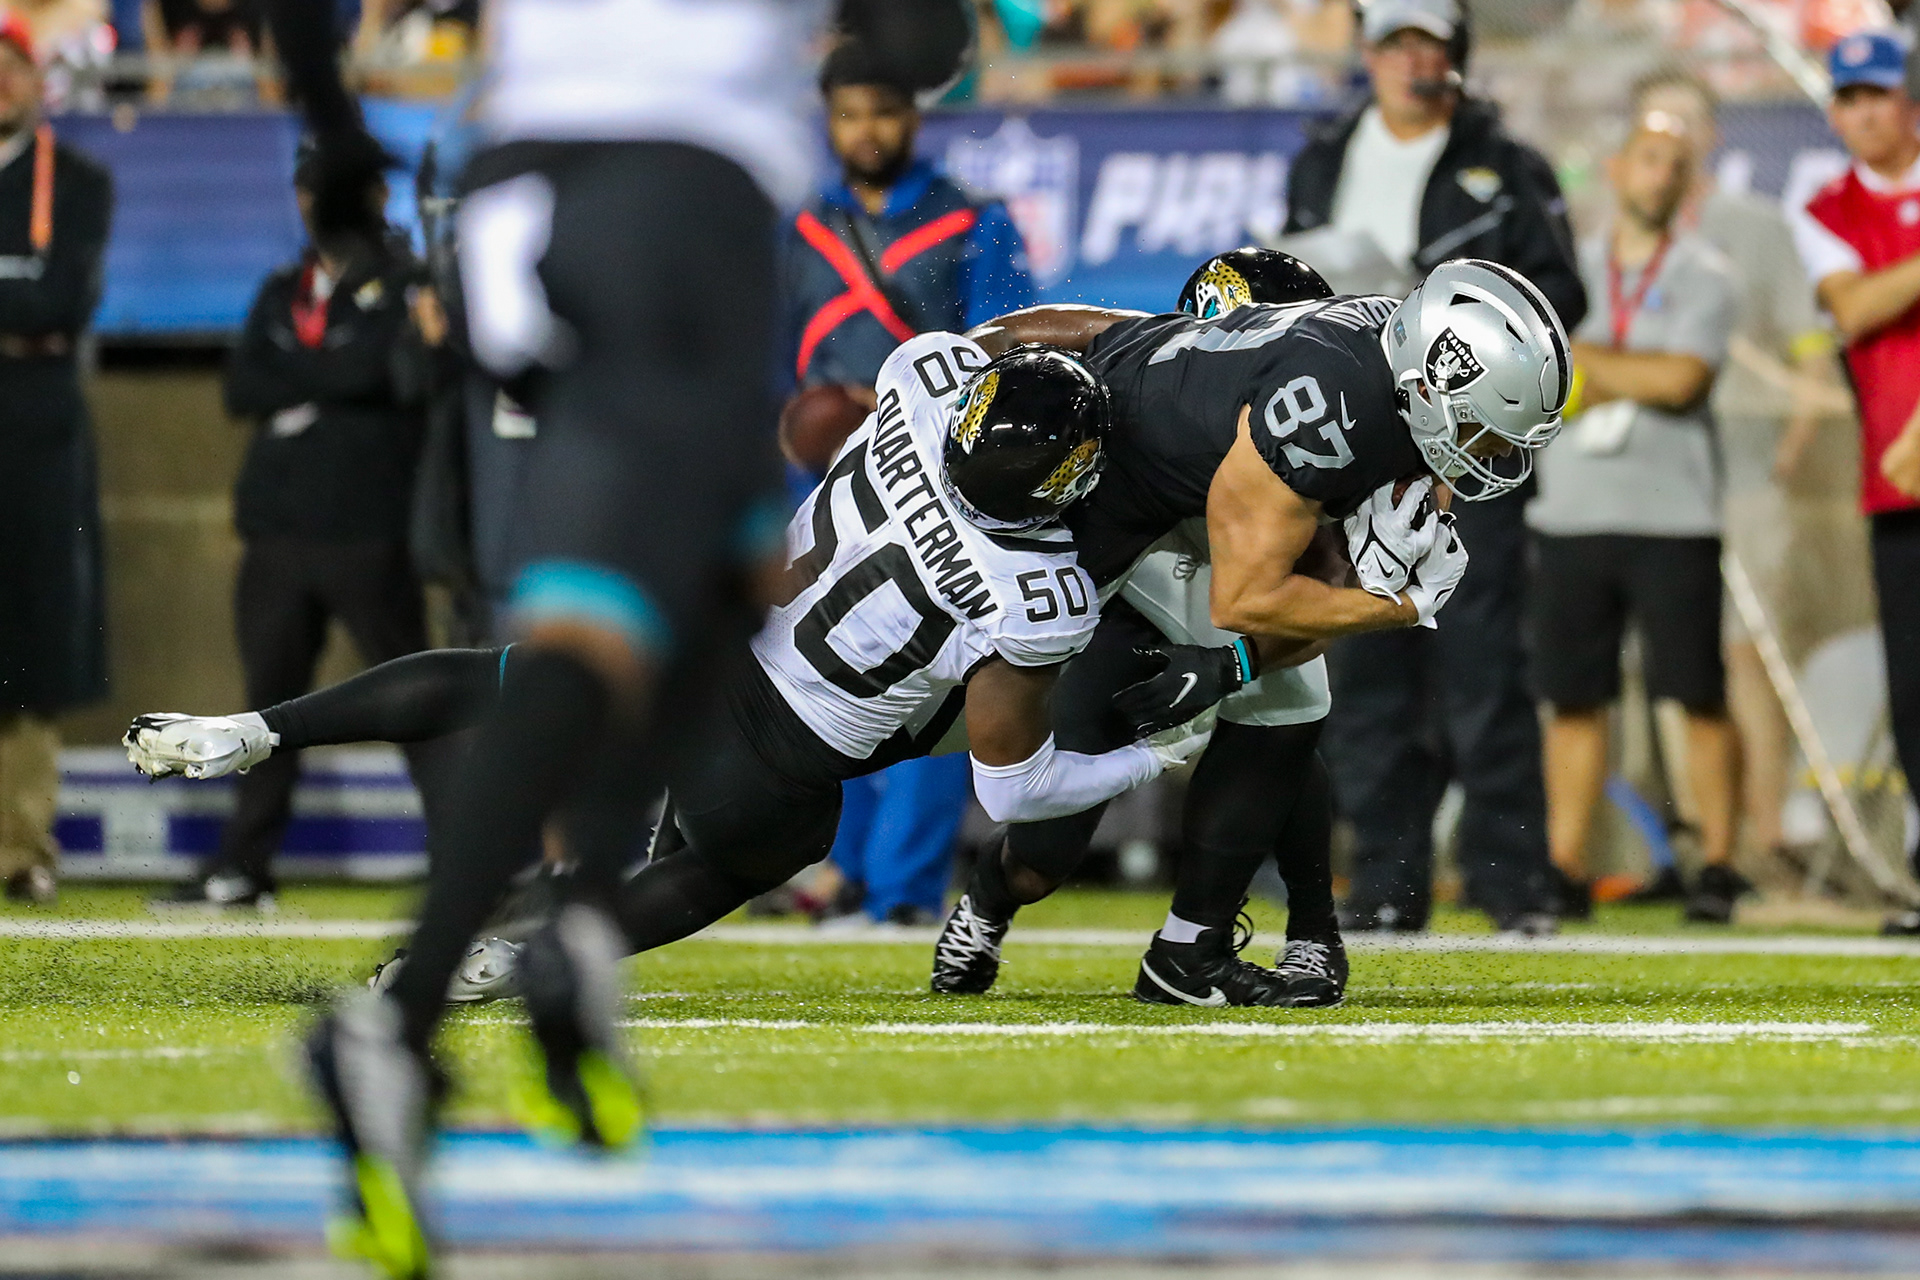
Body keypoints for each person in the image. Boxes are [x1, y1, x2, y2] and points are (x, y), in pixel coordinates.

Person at [255, 1, 975, 1276]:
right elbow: (927, 45)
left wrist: (332, 123)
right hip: (667, 201)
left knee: (714, 581)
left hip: (532, 201)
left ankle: (567, 935)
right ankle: (419, 1008)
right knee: (605, 625)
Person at [127, 337, 1209, 996]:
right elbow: (1010, 783)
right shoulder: (1040, 593)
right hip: (780, 753)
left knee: (510, 675)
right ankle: (517, 955)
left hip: (711, 634)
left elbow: (996, 339)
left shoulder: (923, 382)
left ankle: (257, 728)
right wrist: (1151, 758)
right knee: (766, 848)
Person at [934, 256, 1570, 1006]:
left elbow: (1310, 597)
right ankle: (986, 903)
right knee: (1045, 851)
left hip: (1219, 547)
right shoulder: (1322, 407)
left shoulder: (1381, 384)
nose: (1492, 455)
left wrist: (1235, 662)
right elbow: (1269, 596)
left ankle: (1226, 940)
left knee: (1290, 703)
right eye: (1486, 432)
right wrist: (1394, 605)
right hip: (1137, 543)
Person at [1282, 0, 1587, 934]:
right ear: (1369, 52)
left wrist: (1453, 302)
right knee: (1367, 677)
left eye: (1430, 44)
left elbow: (1561, 296)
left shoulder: (1508, 169)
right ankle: (1386, 883)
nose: (1413, 61)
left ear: (1455, 57)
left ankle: (1511, 881)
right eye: (1396, 43)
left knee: (1483, 669)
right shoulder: (1324, 157)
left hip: (1476, 451)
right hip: (1362, 444)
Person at [152, 146, 444, 912]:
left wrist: (304, 374)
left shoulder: (408, 284)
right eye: (316, 189)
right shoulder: (285, 286)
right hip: (279, 531)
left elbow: (387, 375)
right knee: (264, 705)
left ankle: (463, 860)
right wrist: (335, 375)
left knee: (416, 699)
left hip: (368, 527)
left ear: (379, 195)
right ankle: (244, 867)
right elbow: (243, 385)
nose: (324, 204)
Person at [789, 37, 1036, 930]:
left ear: (914, 117)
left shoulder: (975, 221)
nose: (867, 130)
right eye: (850, 114)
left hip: (932, 483)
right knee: (816, 675)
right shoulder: (798, 229)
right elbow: (773, 363)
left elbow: (1009, 346)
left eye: (884, 111)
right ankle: (837, 873)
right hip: (816, 486)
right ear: (829, 122)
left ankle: (902, 890)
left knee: (927, 684)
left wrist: (886, 401)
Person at [1630, 67, 1845, 889]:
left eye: (1687, 123)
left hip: (1747, 463)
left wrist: (1797, 432)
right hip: (1654, 470)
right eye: (1657, 124)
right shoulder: (1625, 229)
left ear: (1713, 136)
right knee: (1668, 660)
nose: (1673, 140)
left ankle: (1761, 829)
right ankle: (1689, 838)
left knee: (1746, 654)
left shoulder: (1753, 225)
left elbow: (1804, 338)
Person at [1527, 111, 1743, 923]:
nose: (1659, 175)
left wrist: (1583, 366)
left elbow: (1681, 380)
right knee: (1574, 697)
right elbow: (1553, 373)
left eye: (1674, 163)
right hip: (1573, 512)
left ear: (1688, 182)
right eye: (1646, 159)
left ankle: (1717, 862)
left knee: (1694, 692)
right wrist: (1629, 371)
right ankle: (1564, 863)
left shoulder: (1707, 274)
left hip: (1675, 515)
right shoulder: (1567, 271)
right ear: (1616, 170)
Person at [1785, 30, 1920, 935]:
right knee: (1912, 687)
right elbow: (1857, 306)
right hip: (1899, 480)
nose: (1867, 112)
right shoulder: (1825, 207)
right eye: (1851, 99)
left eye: (1881, 94)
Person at [0, 15, 111, 906]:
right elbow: (32, 291)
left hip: (36, 423)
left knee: (31, 639)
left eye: (11, 67)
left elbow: (63, 296)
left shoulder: (75, 180)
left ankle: (21, 843)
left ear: (40, 82)